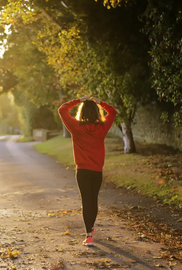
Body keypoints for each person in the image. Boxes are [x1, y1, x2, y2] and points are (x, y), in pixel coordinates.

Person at [58, 96, 117, 246]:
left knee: (86, 201)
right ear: (97, 112)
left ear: (82, 112)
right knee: (93, 200)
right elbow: (113, 112)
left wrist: (78, 100)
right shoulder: (102, 127)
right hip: (96, 171)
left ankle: (89, 234)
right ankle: (90, 228)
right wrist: (100, 102)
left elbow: (62, 109)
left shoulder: (75, 127)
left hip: (82, 171)